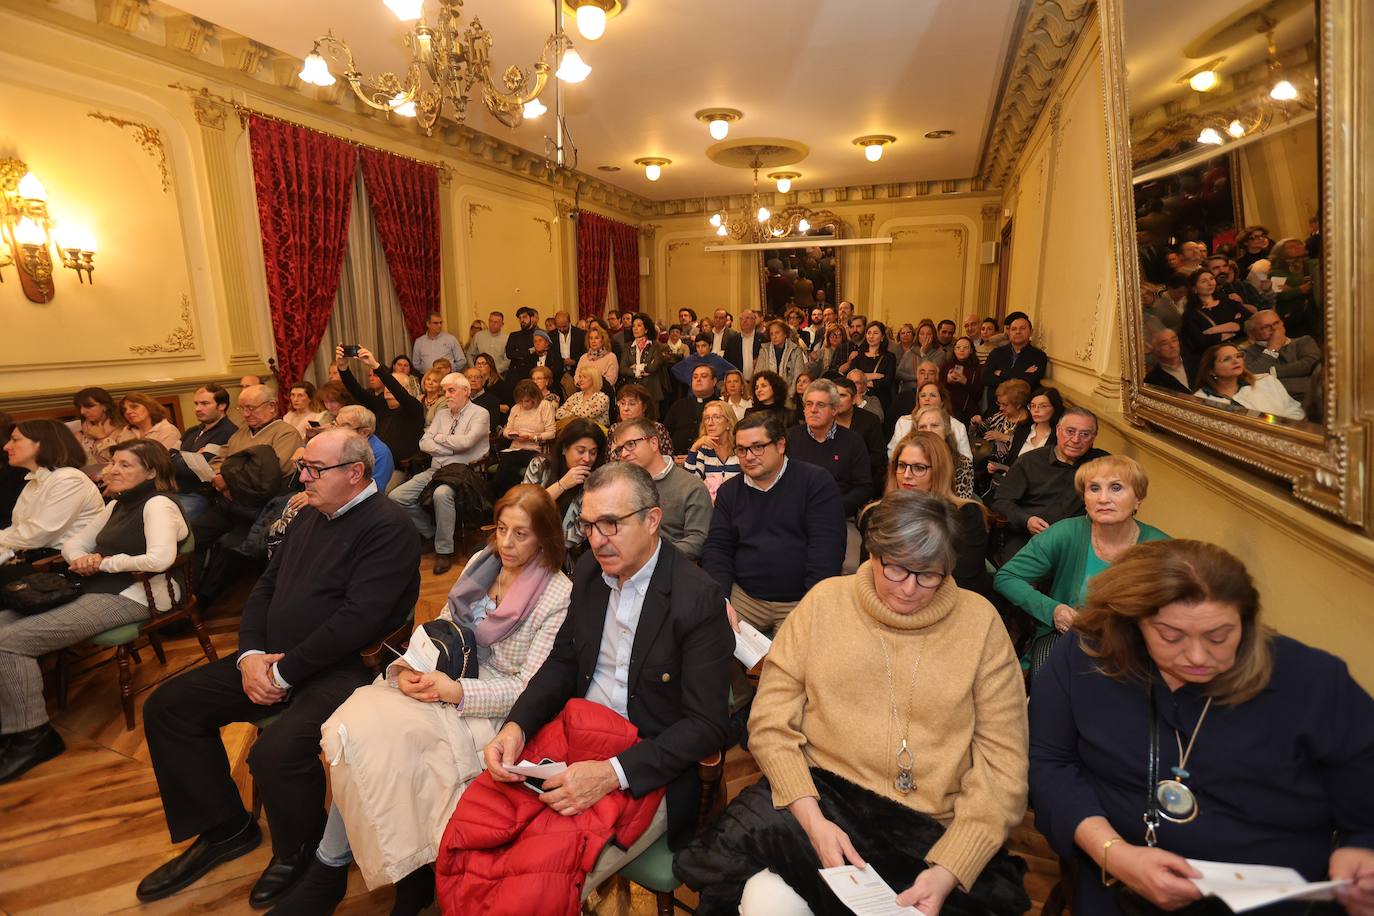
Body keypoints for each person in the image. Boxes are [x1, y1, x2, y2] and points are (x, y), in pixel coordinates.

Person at [678, 490, 1031, 916]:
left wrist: (950, 867)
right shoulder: (826, 602)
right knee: (754, 889)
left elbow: (1003, 765)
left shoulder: (980, 624)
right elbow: (770, 723)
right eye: (895, 569)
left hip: (932, 826)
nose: (908, 589)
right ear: (872, 552)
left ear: (948, 568)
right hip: (823, 798)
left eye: (927, 575)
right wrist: (813, 821)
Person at [135, 430, 420, 907]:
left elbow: (359, 621)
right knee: (170, 706)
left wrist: (285, 673)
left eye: (314, 469)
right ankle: (225, 828)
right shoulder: (311, 515)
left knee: (276, 754)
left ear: (355, 473)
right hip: (273, 659)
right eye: (302, 467)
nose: (302, 477)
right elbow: (264, 588)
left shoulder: (389, 526)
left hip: (345, 669)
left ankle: (299, 852)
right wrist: (249, 656)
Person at [268, 485, 573, 916]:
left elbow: (530, 685)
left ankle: (337, 872)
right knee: (355, 729)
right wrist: (410, 668)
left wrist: (457, 691)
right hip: (442, 678)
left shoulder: (558, 593)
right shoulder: (483, 563)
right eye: (502, 529)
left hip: (492, 705)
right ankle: (369, 874)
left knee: (393, 745)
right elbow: (443, 630)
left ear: (545, 537)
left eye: (521, 534)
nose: (506, 543)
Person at [1028, 540, 1374, 916]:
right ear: (1133, 624)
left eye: (1219, 636)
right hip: (1122, 887)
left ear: (1247, 620)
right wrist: (1113, 852)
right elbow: (1049, 764)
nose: (1197, 656)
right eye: (1171, 636)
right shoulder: (1086, 656)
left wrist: (1362, 849)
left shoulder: (1313, 682)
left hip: (1277, 900)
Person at [478, 462, 734, 894]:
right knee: (484, 832)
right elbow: (562, 663)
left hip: (646, 762)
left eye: (611, 524)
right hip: (578, 737)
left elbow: (709, 726)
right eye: (589, 524)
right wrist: (517, 725)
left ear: (653, 520)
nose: (597, 539)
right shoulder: (591, 574)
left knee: (537, 883)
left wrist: (612, 773)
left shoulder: (698, 598)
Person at [0, 439, 190, 783]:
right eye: (112, 462)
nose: (112, 470)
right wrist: (81, 560)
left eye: (125, 465)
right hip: (102, 586)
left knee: (10, 641)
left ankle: (33, 736)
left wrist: (104, 563)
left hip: (139, 595)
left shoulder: (157, 504)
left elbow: (160, 559)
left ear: (151, 471)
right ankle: (11, 725)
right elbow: (75, 543)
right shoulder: (116, 505)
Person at [996, 455, 1169, 678]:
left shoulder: (1162, 548)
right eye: (1094, 488)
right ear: (1084, 499)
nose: (1103, 498)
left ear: (1138, 498)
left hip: (1134, 653)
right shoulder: (1066, 532)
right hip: (1067, 641)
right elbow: (1007, 577)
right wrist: (1053, 610)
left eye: (1116, 488)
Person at [702, 413, 845, 635]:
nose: (748, 456)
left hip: (799, 599)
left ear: (780, 445)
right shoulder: (730, 491)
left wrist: (812, 604)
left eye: (757, 447)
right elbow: (718, 547)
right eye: (741, 449)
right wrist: (721, 597)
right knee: (711, 639)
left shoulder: (815, 482)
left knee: (791, 664)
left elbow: (827, 549)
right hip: (746, 596)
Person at [863, 430, 992, 601]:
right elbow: (869, 573)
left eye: (919, 468)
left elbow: (966, 582)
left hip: (950, 604)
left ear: (938, 472)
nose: (907, 475)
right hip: (887, 603)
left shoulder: (965, 515)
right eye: (901, 466)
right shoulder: (876, 512)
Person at [389, 372, 490, 575]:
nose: (447, 395)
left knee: (441, 494)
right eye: (445, 391)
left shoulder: (480, 413)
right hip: (436, 470)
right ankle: (432, 534)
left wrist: (440, 440)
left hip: (463, 473)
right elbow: (424, 443)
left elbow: (467, 443)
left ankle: (444, 551)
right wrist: (450, 446)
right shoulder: (442, 414)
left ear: (466, 391)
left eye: (451, 390)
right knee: (396, 497)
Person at [991, 408, 1109, 560]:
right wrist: (1027, 520)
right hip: (1028, 537)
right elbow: (1001, 502)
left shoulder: (1101, 463)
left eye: (1085, 434)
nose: (1076, 440)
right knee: (1020, 573)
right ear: (1058, 431)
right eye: (1070, 431)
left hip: (1074, 542)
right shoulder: (1030, 461)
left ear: (1094, 437)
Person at [0, 420, 104, 567]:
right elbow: (18, 529)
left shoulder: (69, 479)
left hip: (63, 565)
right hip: (34, 558)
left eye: (15, 440)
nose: (6, 446)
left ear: (41, 444)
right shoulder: (34, 481)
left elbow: (36, 535)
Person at [608, 419, 712, 561]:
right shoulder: (623, 488)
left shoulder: (691, 486)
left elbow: (698, 541)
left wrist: (650, 556)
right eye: (620, 449)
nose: (624, 454)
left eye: (631, 444)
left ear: (653, 443)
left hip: (672, 569)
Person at [524, 419, 607, 572]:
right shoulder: (540, 466)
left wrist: (535, 545)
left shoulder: (595, 485)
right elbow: (522, 507)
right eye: (581, 451)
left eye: (593, 452)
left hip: (561, 560)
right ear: (564, 449)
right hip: (524, 545)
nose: (587, 459)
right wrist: (562, 485)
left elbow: (576, 535)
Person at [337, 347, 426, 470]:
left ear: (408, 390)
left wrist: (375, 366)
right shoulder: (380, 404)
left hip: (399, 468)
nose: (389, 389)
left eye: (396, 385)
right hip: (372, 462)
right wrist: (343, 368)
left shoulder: (414, 408)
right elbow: (356, 390)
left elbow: (397, 391)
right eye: (387, 386)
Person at [1193, 343, 1305, 421]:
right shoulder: (1201, 400)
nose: (1236, 361)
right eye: (1226, 359)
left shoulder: (1266, 381)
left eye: (1238, 356)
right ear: (1211, 371)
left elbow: (1294, 410)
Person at [1242, 310, 1322, 403]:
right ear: (1251, 334)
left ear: (1282, 323)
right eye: (1265, 327)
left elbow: (1311, 365)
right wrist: (1272, 350)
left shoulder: (1303, 341)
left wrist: (1272, 372)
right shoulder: (1246, 353)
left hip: (1309, 397)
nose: (1274, 329)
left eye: (1276, 323)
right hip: (1270, 401)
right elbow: (1251, 375)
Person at [889, 383, 974, 462]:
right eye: (923, 396)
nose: (927, 399)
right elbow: (893, 454)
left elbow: (967, 460)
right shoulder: (903, 422)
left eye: (932, 395)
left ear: (942, 402)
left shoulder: (958, 426)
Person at [1180, 268, 1247, 360]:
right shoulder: (1190, 314)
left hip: (1242, 349)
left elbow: (1249, 319)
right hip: (1217, 357)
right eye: (1204, 281)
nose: (1210, 283)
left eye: (1211, 279)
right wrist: (1231, 331)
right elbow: (1199, 342)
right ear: (1194, 289)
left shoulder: (1228, 301)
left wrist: (1217, 329)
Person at [833, 377, 887, 491]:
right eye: (834, 396)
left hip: (863, 479)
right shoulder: (826, 419)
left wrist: (850, 464)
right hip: (831, 479)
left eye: (842, 395)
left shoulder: (870, 421)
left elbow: (879, 456)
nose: (837, 400)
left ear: (853, 400)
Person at [913, 406, 976, 500]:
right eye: (922, 427)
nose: (929, 431)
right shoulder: (908, 461)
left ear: (946, 430)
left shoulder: (962, 463)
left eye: (934, 425)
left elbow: (960, 505)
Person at [982, 312, 1048, 401]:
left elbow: (1029, 381)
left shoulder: (1039, 356)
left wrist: (1001, 373)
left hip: (1022, 408)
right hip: (996, 406)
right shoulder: (996, 353)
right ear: (1009, 333)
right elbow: (986, 377)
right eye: (1014, 329)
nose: (1018, 332)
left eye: (1022, 328)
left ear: (1031, 332)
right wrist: (1022, 374)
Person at [972, 379, 1032, 473]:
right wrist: (976, 422)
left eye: (1005, 404)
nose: (1000, 408)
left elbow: (1028, 449)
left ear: (1018, 405)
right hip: (989, 466)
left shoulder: (1029, 423)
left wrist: (1004, 438)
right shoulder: (1000, 416)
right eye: (999, 403)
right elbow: (982, 432)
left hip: (1012, 470)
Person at [68, 386, 132, 472]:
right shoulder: (79, 434)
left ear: (105, 406)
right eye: (80, 407)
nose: (82, 412)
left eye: (89, 406)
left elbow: (122, 462)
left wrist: (102, 438)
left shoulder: (124, 431)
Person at [331, 405, 395, 490]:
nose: (336, 430)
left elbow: (374, 490)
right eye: (335, 424)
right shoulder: (336, 443)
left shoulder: (381, 454)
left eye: (344, 426)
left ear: (364, 432)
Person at [1269, 236, 1319, 339]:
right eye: (1291, 246)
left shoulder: (1312, 264)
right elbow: (1281, 296)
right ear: (1281, 251)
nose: (1297, 247)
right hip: (1291, 316)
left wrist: (1292, 288)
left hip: (1312, 314)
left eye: (1299, 245)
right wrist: (1300, 289)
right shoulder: (1276, 272)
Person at [666, 363, 721, 455]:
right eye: (695, 377)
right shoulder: (679, 405)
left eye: (703, 376)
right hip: (677, 460)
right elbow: (666, 434)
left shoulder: (721, 406)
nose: (698, 379)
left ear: (714, 381)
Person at [684, 400, 740, 489]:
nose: (710, 423)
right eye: (707, 418)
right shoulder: (704, 450)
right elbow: (690, 483)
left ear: (728, 423)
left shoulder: (740, 448)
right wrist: (694, 447)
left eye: (716, 417)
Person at [851, 320, 898, 416]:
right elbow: (851, 376)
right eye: (869, 333)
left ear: (882, 337)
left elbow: (887, 380)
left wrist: (862, 380)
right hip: (860, 398)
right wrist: (874, 376)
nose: (871, 336)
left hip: (881, 399)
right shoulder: (858, 355)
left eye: (875, 333)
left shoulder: (889, 357)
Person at [618, 313, 667, 403]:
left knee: (651, 416)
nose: (635, 328)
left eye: (639, 325)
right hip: (633, 390)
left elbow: (654, 366)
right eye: (633, 326)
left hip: (651, 390)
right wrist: (639, 371)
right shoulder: (627, 346)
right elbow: (623, 369)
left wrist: (636, 367)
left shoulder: (656, 346)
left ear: (646, 329)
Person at [615, 383, 672, 457]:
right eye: (622, 403)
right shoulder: (614, 429)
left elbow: (667, 459)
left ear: (644, 407)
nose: (626, 408)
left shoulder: (657, 429)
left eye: (632, 404)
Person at [1007, 387, 1063, 461]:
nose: (1036, 410)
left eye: (1043, 406)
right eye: (1033, 406)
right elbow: (1011, 459)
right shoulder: (1022, 428)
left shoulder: (1059, 436)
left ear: (1055, 408)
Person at [180, 384, 238, 455]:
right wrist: (194, 456)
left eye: (204, 403)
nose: (197, 409)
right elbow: (169, 458)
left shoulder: (228, 432)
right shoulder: (191, 431)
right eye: (196, 404)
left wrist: (181, 457)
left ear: (222, 406)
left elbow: (204, 462)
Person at [755, 318, 809, 393]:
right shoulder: (764, 350)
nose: (774, 336)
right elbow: (758, 374)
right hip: (768, 394)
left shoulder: (795, 350)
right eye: (771, 334)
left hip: (789, 395)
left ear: (785, 334)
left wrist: (789, 396)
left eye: (777, 333)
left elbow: (798, 377)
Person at [897, 320, 949, 394]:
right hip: (908, 392)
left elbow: (932, 373)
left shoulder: (940, 354)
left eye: (928, 334)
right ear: (918, 336)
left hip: (929, 392)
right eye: (922, 334)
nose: (925, 337)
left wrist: (923, 353)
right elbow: (899, 373)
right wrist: (916, 377)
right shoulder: (910, 352)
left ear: (933, 336)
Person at [555, 364, 611, 428]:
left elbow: (588, 414)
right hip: (575, 430)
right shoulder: (575, 396)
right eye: (580, 377)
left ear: (594, 379)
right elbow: (558, 413)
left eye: (584, 377)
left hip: (595, 433)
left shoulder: (602, 398)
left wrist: (572, 409)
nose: (580, 380)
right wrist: (579, 414)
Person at [943, 336, 983, 421]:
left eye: (966, 347)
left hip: (969, 412)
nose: (961, 350)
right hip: (948, 410)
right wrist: (948, 381)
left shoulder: (978, 369)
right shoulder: (946, 366)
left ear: (971, 350)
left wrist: (965, 381)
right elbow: (938, 389)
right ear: (954, 350)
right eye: (958, 347)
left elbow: (979, 395)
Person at [1144, 328, 1192, 394]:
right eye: (1165, 344)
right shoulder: (1152, 379)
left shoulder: (1195, 361)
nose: (1172, 346)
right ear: (1157, 349)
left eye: (1174, 340)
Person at [575, 324, 620, 391]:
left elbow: (611, 380)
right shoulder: (583, 357)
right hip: (584, 392)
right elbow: (577, 378)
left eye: (596, 338)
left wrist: (590, 386)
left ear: (602, 340)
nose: (593, 341)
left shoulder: (611, 357)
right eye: (591, 338)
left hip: (603, 393)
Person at [724, 309, 764, 380]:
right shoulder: (732, 341)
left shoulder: (763, 339)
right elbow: (726, 362)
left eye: (747, 318)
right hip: (738, 381)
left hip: (759, 380)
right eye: (741, 319)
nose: (744, 321)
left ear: (754, 320)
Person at [466, 310, 510, 374]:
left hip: (499, 374)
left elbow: (507, 360)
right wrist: (474, 369)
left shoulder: (507, 339)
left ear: (502, 324)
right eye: (491, 321)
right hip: (479, 374)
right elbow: (469, 354)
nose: (492, 324)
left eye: (496, 322)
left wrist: (495, 371)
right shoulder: (478, 336)